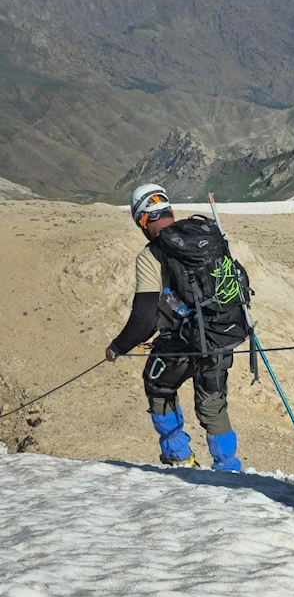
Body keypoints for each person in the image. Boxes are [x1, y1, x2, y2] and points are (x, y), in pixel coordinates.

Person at [105, 184, 242, 471]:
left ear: (141, 220)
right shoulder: (206, 237)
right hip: (221, 334)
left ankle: (178, 457)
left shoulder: (151, 255)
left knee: (157, 385)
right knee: (213, 403)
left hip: (183, 342)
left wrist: (118, 347)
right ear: (171, 210)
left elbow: (143, 320)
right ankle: (229, 469)